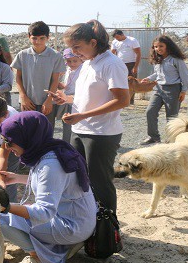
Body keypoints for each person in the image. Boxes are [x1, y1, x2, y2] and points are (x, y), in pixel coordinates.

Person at [47, 19, 129, 231]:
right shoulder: (88, 64)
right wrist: (66, 99)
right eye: (71, 48)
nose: (74, 53)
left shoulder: (111, 64)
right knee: (79, 180)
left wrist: (83, 115)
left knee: (100, 183)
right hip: (81, 129)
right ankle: (87, 225)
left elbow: (122, 100)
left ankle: (108, 230)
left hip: (101, 134)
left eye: (77, 47)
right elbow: (88, 97)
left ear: (93, 42)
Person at [0, 111, 97, 263]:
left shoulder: (50, 165)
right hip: (79, 219)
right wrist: (17, 178)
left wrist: (4, 207)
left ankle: (39, 258)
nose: (7, 147)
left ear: (27, 137)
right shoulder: (53, 149)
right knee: (21, 210)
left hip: (72, 226)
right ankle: (60, 244)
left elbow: (44, 212)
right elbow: (57, 184)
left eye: (10, 142)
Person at [139, 35, 188, 145]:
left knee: (171, 117)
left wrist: (183, 91)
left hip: (173, 90)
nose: (158, 49)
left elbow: (185, 76)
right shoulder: (157, 59)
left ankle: (172, 140)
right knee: (150, 111)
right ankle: (154, 137)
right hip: (158, 89)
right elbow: (157, 74)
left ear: (168, 46)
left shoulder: (176, 60)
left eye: (161, 46)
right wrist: (149, 78)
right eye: (156, 47)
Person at [11, 21, 65, 125]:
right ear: (29, 37)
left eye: (42, 38)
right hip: (28, 102)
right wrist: (23, 97)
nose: (38, 41)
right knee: (27, 131)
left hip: (47, 102)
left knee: (45, 132)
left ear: (48, 38)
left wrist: (49, 100)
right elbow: (18, 78)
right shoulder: (22, 55)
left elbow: (55, 80)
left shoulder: (55, 56)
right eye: (34, 38)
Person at [56, 48, 83, 142]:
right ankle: (67, 144)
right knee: (67, 124)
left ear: (81, 59)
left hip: (78, 100)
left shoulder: (83, 70)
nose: (72, 63)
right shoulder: (68, 70)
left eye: (75, 61)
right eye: (69, 61)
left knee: (77, 125)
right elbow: (67, 85)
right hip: (67, 100)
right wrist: (61, 86)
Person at [110, 29, 142, 105]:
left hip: (131, 64)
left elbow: (138, 53)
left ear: (122, 34)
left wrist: (135, 67)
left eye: (118, 37)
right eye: (115, 38)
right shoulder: (115, 42)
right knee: (119, 81)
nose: (117, 39)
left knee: (131, 83)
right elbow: (112, 53)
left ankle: (130, 101)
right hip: (120, 64)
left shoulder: (132, 40)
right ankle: (121, 99)